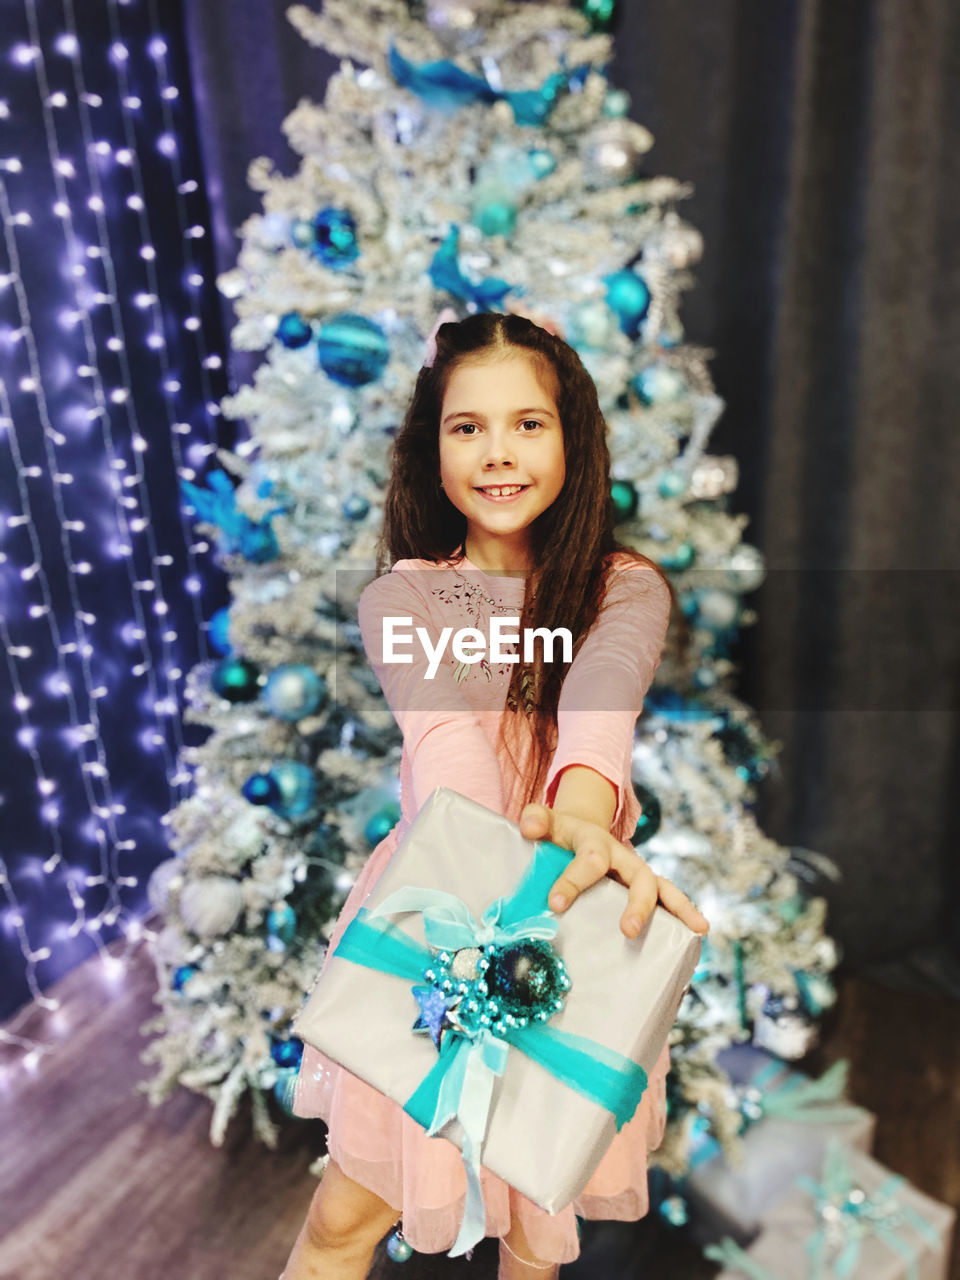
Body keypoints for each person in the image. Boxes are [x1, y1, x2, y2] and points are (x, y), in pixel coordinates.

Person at [281, 310, 710, 1280]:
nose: (498, 452)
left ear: (573, 438)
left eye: (529, 423)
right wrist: (489, 886)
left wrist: (583, 824)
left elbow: (602, 705)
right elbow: (447, 744)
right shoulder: (405, 596)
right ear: (432, 445)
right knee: (347, 1220)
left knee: (533, 1231)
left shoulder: (623, 586)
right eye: (466, 427)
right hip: (442, 917)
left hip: (573, 914)